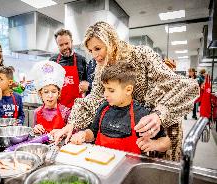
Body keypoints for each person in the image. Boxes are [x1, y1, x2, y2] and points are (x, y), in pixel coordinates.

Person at [52, 21, 199, 161]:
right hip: (136, 128)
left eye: (98, 48)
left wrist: (159, 115)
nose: (95, 55)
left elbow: (186, 87)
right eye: (91, 51)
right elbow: (95, 98)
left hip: (161, 126)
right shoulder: (102, 67)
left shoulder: (142, 55)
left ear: (111, 42)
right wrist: (72, 124)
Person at [70, 62, 171, 155]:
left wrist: (155, 144)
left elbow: (166, 142)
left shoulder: (141, 114)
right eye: (104, 89)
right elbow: (92, 133)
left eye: (111, 90)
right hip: (101, 164)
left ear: (128, 90)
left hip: (128, 169)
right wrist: (83, 135)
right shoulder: (103, 108)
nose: (105, 94)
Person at [49, 29, 88, 108]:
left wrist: (86, 87)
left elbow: (86, 82)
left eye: (67, 43)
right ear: (57, 45)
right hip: (58, 108)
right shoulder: (52, 61)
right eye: (61, 45)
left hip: (77, 108)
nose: (65, 47)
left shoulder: (81, 60)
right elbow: (49, 85)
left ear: (72, 42)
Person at [30, 60, 70, 134]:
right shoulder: (37, 112)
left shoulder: (66, 112)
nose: (50, 95)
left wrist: (63, 132)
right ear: (40, 94)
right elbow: (34, 134)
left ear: (59, 93)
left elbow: (72, 133)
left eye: (54, 91)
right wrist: (35, 129)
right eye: (46, 92)